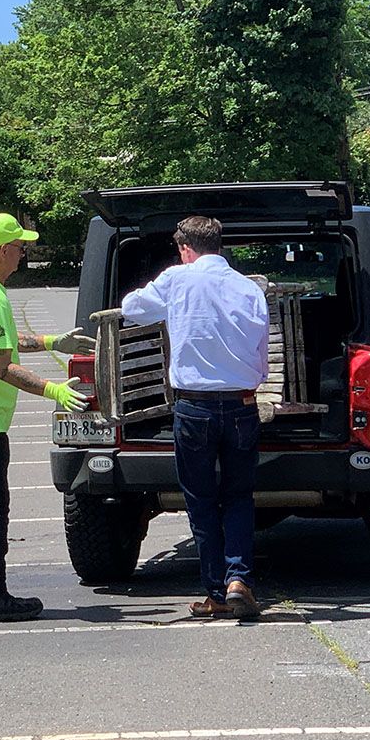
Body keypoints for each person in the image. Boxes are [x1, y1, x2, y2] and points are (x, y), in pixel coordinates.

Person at [0, 212, 95, 623]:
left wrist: (50, 340)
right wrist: (54, 390)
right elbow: (2, 366)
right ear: (2, 250)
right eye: (20, 247)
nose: (23, 254)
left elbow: (4, 339)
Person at [120, 216, 269, 620]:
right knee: (239, 496)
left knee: (201, 500)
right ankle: (240, 580)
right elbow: (261, 356)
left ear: (185, 248)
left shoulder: (177, 279)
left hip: (195, 405)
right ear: (219, 246)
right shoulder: (249, 288)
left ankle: (217, 591)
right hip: (242, 404)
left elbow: (133, 309)